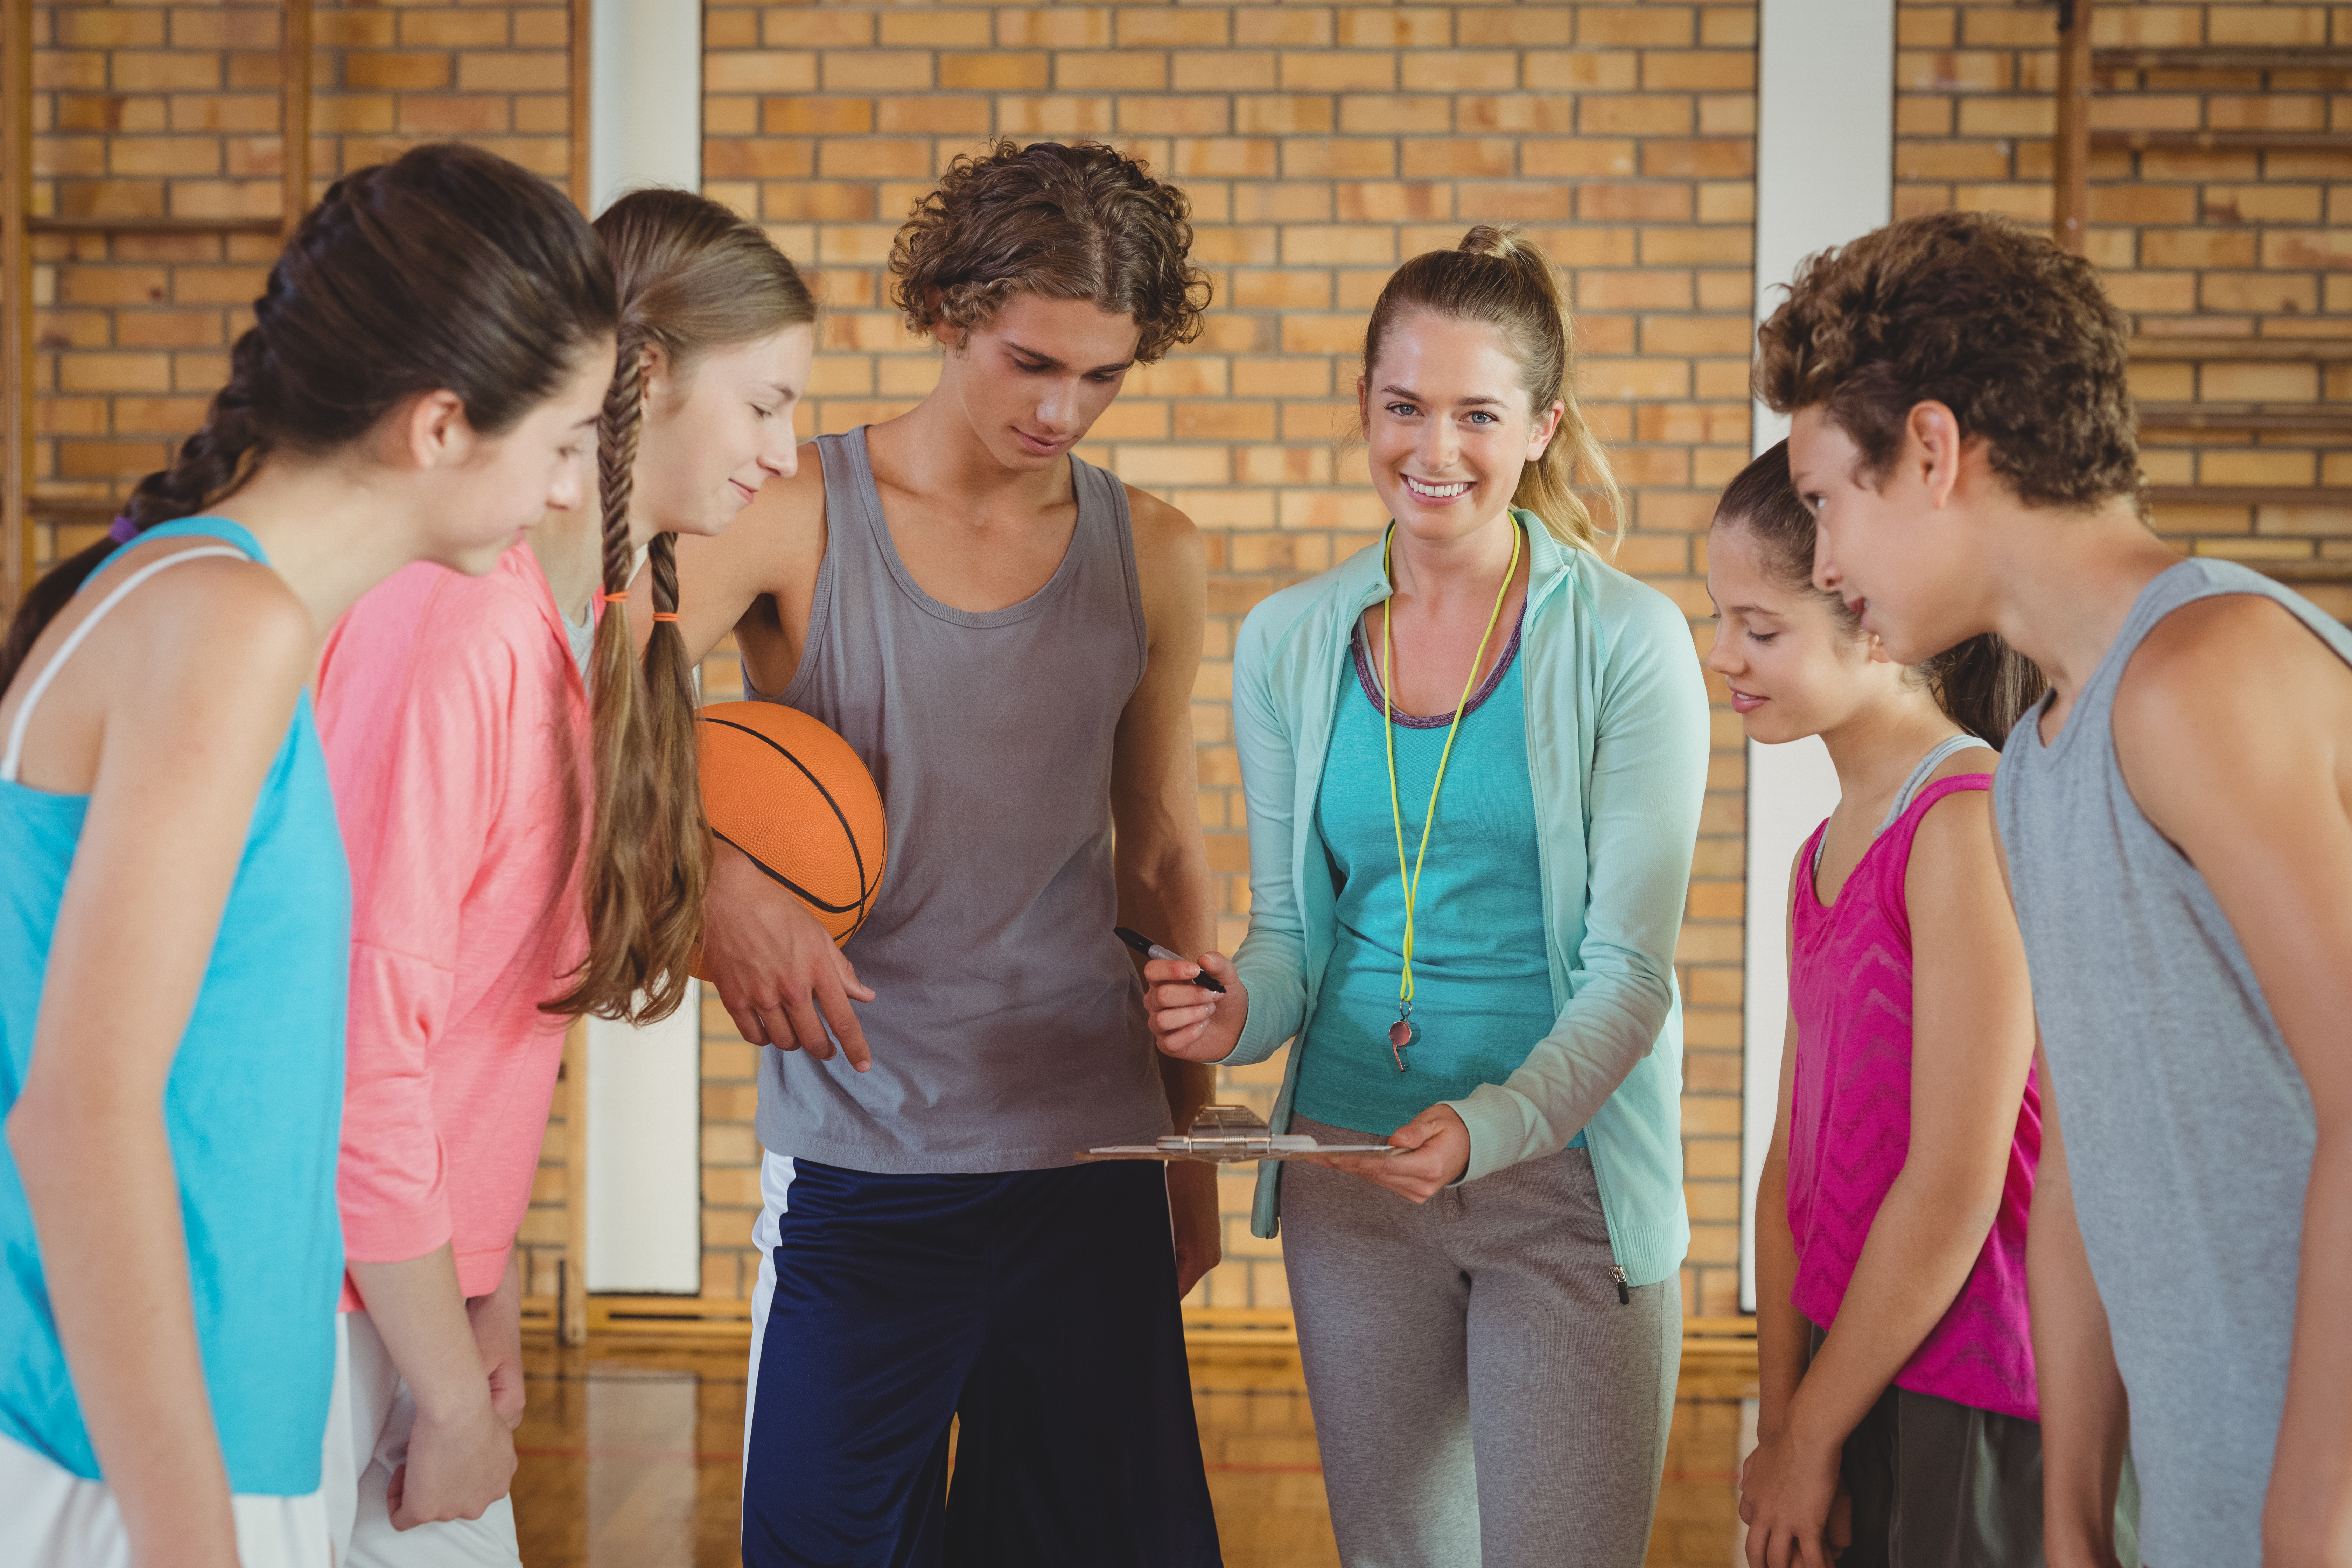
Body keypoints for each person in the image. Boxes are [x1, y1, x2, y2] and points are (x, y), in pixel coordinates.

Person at [0, 143, 615, 1568]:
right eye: (568, 440)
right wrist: (185, 1533)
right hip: (142, 1456)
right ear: (444, 426)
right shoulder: (231, 623)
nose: (575, 489)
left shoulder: (185, 590)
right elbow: (80, 1114)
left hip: (195, 1422)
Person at [653, 140, 1224, 1565]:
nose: (1065, 408)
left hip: (1088, 1149)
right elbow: (588, 716)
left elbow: (1158, 851)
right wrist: (716, 887)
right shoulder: (788, 517)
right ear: (951, 309)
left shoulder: (1153, 548)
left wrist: (1193, 1151)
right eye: (1035, 362)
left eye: (1104, 377)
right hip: (866, 1164)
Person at [1759, 210, 2352, 1568]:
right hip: (2205, 1498)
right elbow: (2082, 1168)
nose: (1828, 562)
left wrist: (2311, 1521)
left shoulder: (2206, 676)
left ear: (1930, 450)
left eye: (1822, 502)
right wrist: (2075, 1525)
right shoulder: (2032, 764)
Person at [1147, 226, 1709, 1567]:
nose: (1434, 448)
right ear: (1363, 409)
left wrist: (1491, 1125)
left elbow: (1630, 976)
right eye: (1404, 407)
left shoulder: (1630, 641)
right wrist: (1232, 1011)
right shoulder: (1291, 641)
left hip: (1562, 1178)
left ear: (1541, 429)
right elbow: (1293, 942)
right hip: (1352, 1171)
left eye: (1477, 413)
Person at [314, 189, 814, 1567]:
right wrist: (439, 1379)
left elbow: (481, 1033)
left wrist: (485, 1293)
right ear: (643, 378)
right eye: (766, 405)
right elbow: (362, 1048)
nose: (785, 454)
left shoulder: (593, 632)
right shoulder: (456, 627)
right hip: (312, 1314)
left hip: (408, 1300)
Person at [1709, 443, 2116, 1568]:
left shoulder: (1964, 821)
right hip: (1858, 1369)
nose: (1722, 656)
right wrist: (1791, 1422)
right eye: (1718, 618)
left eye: (1760, 628)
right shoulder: (1817, 857)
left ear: (1872, 623)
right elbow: (1790, 1166)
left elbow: (1953, 1186)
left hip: (1976, 1387)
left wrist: (1814, 1429)